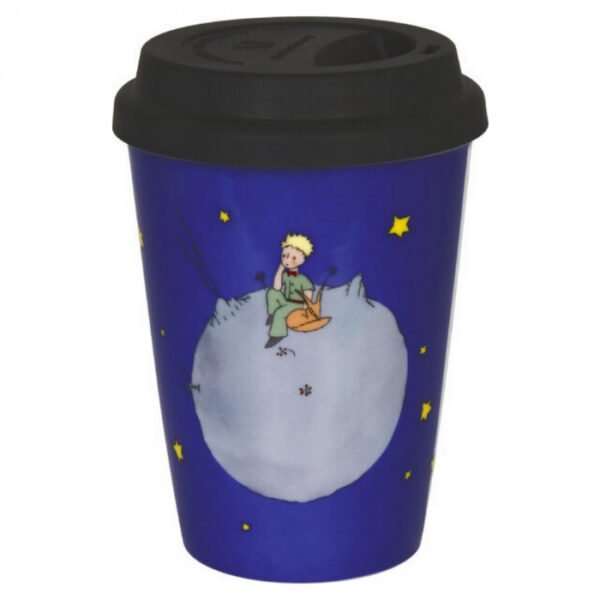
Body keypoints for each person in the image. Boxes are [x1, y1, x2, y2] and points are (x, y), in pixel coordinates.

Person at [265, 234, 315, 348]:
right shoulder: (286, 275)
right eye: (284, 256)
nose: (287, 260)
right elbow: (277, 288)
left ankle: (278, 334)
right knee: (271, 293)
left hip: (297, 305)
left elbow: (308, 296)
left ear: (302, 259)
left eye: (293, 258)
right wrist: (280, 270)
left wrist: (305, 312)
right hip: (286, 301)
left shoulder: (303, 279)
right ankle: (272, 315)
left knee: (280, 312)